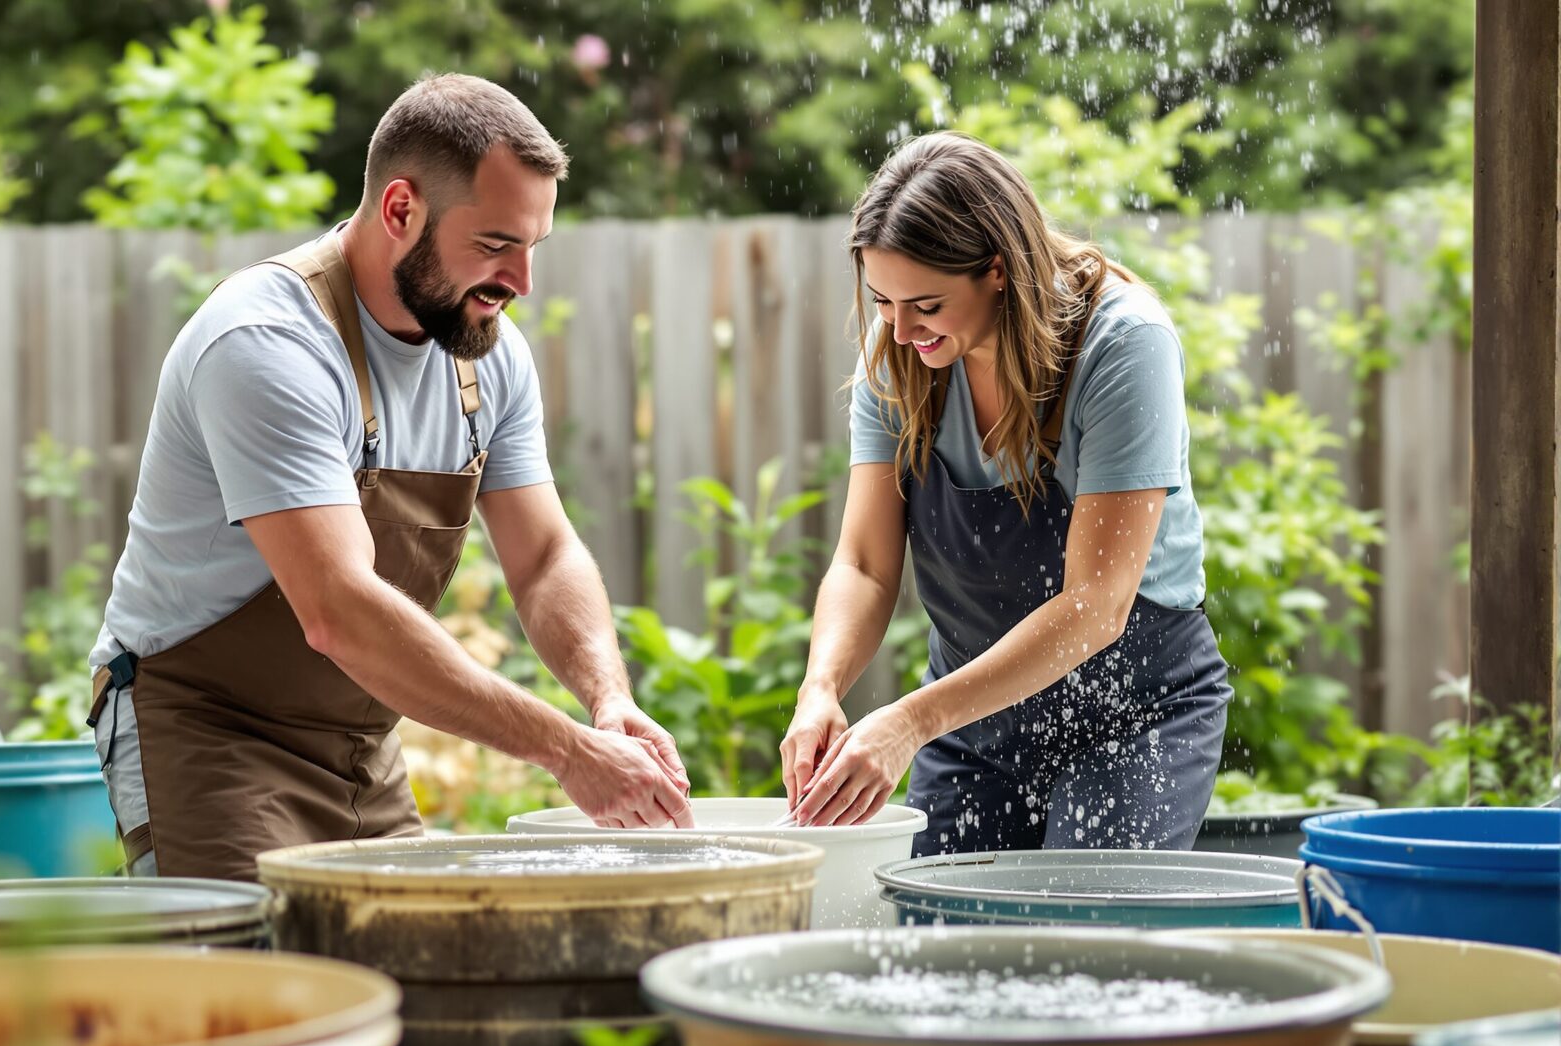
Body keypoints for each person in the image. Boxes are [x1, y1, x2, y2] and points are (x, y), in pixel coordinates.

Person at [87, 74, 693, 882]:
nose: (521, 283)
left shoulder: (488, 352)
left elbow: (545, 557)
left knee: (406, 968)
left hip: (360, 738)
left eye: (532, 247)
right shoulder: (267, 342)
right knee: (259, 984)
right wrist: (565, 750)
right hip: (207, 726)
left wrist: (606, 702)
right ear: (400, 210)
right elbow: (338, 610)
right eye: (494, 246)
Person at [780, 131, 1230, 854]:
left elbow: (1096, 605)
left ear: (997, 270)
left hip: (1132, 716)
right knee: (937, 944)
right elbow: (864, 565)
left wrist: (910, 721)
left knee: (1080, 941)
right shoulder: (899, 357)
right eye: (883, 302)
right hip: (972, 727)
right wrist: (821, 687)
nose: (899, 330)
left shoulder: (1122, 343)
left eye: (924, 303)